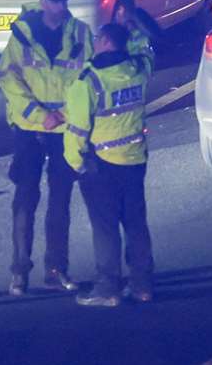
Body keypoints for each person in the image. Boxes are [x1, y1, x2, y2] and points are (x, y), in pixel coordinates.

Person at [0, 0, 93, 296]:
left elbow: (89, 77)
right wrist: (41, 116)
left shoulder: (80, 33)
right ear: (42, 4)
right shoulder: (21, 35)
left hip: (64, 130)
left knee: (60, 201)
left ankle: (56, 270)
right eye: (55, 1)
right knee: (24, 201)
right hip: (29, 131)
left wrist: (64, 115)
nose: (61, 6)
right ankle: (19, 272)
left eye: (64, 0)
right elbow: (8, 81)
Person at [65, 22, 154, 308]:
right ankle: (142, 285)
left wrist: (76, 163)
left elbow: (77, 129)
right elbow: (146, 49)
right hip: (134, 158)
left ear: (103, 41)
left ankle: (108, 287)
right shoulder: (138, 70)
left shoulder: (88, 81)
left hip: (100, 165)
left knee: (105, 228)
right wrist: (132, 24)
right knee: (136, 223)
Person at [112, 0, 155, 75]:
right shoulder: (139, 32)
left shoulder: (133, 35)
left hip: (134, 73)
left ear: (121, 10)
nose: (114, 17)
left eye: (115, 12)